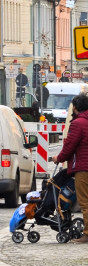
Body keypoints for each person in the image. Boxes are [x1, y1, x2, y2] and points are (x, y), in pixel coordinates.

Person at [53, 94, 88, 243]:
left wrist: (58, 158)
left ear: (76, 107)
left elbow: (69, 146)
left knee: (85, 202)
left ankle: (87, 234)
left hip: (84, 168)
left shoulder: (78, 123)